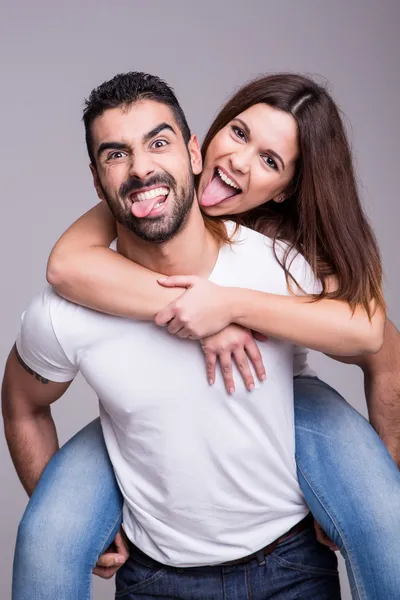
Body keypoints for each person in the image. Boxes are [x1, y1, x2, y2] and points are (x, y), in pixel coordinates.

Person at [4, 72, 399, 598]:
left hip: (287, 523)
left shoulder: (285, 259)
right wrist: (188, 310)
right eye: (238, 133)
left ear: (286, 190)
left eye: (270, 161)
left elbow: (374, 337)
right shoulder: (103, 252)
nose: (239, 162)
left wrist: (228, 305)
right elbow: (66, 268)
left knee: (381, 514)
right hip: (156, 561)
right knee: (49, 536)